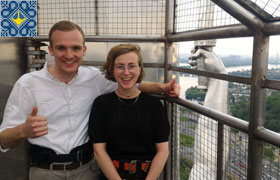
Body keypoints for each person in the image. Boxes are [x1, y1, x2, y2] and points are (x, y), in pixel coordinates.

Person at [0, 21, 179, 180]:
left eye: (76, 48)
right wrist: (23, 130)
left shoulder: (93, 78)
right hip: (45, 172)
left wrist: (162, 88)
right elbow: (3, 140)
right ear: (51, 50)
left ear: (84, 50)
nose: (69, 55)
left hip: (87, 170)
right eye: (61, 48)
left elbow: (128, 83)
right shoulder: (28, 84)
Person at [88, 44, 170, 180]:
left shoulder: (154, 105)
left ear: (139, 69)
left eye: (132, 66)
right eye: (120, 66)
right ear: (112, 70)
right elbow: (99, 151)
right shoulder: (101, 104)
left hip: (148, 176)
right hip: (111, 175)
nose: (126, 72)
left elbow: (163, 150)